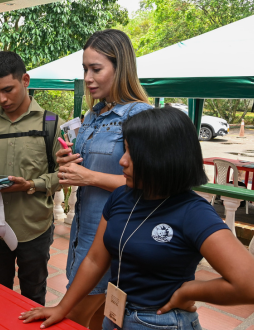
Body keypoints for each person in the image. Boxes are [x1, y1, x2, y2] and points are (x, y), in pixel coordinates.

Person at [19, 107, 254, 329]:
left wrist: (188, 291)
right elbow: (96, 260)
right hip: (116, 315)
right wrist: (63, 308)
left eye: (131, 153)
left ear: (163, 158)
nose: (122, 161)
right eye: (124, 149)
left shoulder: (192, 212)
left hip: (161, 321)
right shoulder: (122, 197)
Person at [54, 29, 152, 329]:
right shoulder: (94, 114)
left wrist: (89, 176)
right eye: (85, 69)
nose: (87, 77)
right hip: (81, 238)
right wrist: (68, 164)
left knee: (72, 319)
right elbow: (86, 169)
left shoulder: (139, 116)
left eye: (96, 69)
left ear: (120, 68)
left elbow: (152, 185)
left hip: (115, 241)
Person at [0, 51, 60, 306]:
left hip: (34, 226)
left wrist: (31, 185)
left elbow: (64, 175)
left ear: (25, 80)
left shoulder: (51, 123)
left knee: (33, 298)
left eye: (8, 89)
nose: (2, 98)